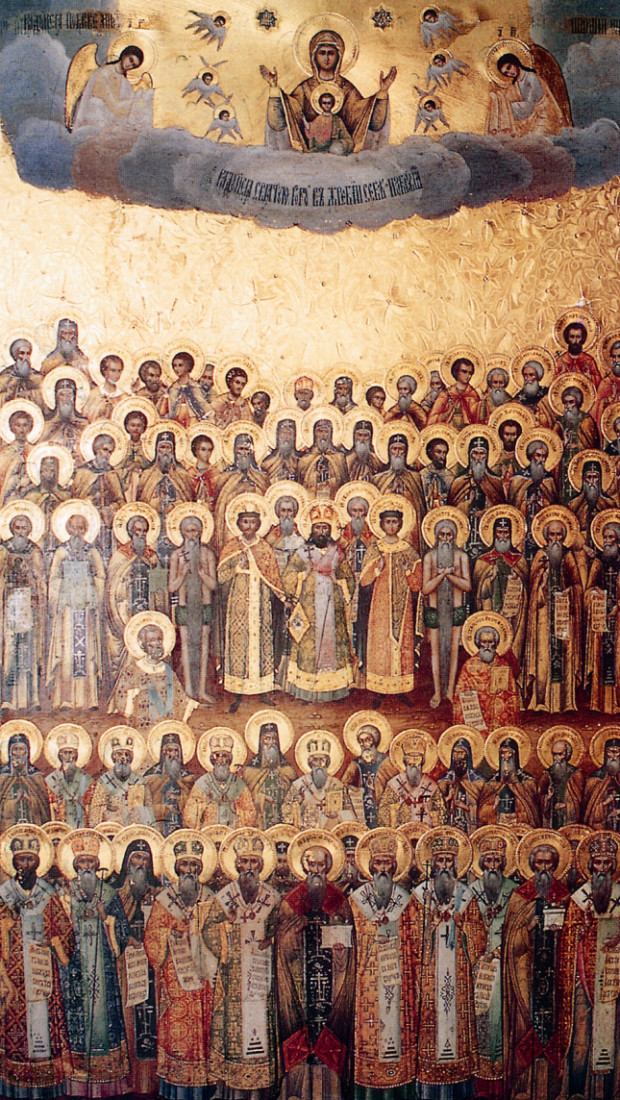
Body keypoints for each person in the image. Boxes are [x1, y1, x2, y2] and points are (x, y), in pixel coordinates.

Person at [274, 831, 356, 1100]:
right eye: (312, 865)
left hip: (331, 985)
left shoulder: (338, 900)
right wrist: (293, 935)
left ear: (329, 867)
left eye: (321, 865)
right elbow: (281, 946)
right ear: (304, 866)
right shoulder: (291, 901)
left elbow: (348, 947)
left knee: (328, 1031)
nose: (317, 871)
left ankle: (331, 1092)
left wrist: (339, 942)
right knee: (301, 1033)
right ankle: (297, 1092)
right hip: (299, 986)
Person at [408, 827, 487, 1098]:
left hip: (458, 972)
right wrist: (430, 923)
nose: (444, 866)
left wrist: (461, 923)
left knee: (457, 1026)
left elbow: (479, 937)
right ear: (432, 864)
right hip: (430, 974)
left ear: (455, 864)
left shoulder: (466, 896)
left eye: (448, 861)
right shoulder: (420, 896)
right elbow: (411, 938)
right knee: (431, 1024)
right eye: (439, 860)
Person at [202, 829, 281, 1096]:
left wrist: (271, 941)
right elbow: (208, 929)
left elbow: (279, 931)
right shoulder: (225, 897)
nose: (248, 868)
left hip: (261, 975)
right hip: (234, 976)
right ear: (236, 865)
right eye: (244, 862)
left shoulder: (272, 897)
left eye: (253, 862)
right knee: (234, 1030)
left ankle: (260, 1092)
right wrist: (226, 925)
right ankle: (234, 1091)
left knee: (262, 1028)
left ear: (261, 865)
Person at [0, 824, 74, 1100]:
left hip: (43, 969)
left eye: (30, 859)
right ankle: (15, 1085)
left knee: (45, 1020)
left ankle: (48, 1084)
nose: (25, 865)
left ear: (38, 862)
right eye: (21, 859)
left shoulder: (47, 892)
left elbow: (64, 930)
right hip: (15, 971)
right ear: (13, 862)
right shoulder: (4, 893)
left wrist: (53, 941)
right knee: (15, 1023)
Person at [143, 830, 218, 1100]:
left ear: (200, 868)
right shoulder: (164, 900)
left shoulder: (210, 897)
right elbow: (152, 937)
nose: (189, 870)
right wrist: (173, 932)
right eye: (184, 865)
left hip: (204, 977)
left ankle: (205, 1084)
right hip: (175, 976)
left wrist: (203, 933)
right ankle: (176, 1085)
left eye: (194, 865)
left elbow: (219, 933)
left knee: (206, 1027)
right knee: (177, 1032)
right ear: (176, 868)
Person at [56, 828, 131, 1096]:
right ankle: (78, 1082)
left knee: (105, 1017)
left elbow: (122, 931)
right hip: (76, 968)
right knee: (76, 1020)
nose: (86, 867)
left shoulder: (108, 893)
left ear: (98, 865)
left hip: (103, 968)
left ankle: (108, 1081)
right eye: (82, 862)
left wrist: (106, 917)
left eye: (91, 862)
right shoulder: (65, 894)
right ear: (75, 865)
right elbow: (58, 928)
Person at [502, 831, 571, 1100]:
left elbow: (573, 935)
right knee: (526, 1026)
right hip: (526, 976)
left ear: (555, 865)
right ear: (531, 864)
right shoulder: (520, 896)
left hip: (556, 974)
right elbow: (510, 942)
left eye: (548, 863)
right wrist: (527, 928)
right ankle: (523, 1088)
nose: (543, 868)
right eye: (539, 863)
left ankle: (553, 1087)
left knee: (555, 1026)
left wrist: (562, 930)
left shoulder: (564, 896)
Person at [349, 830, 418, 1097]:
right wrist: (372, 936)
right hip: (368, 981)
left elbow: (414, 941)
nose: (382, 869)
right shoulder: (356, 901)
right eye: (378, 863)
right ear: (370, 866)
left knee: (397, 1032)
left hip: (398, 979)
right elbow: (351, 940)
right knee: (371, 1034)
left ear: (395, 866)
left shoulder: (407, 901)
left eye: (387, 863)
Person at [554, 831, 620, 1100]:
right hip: (583, 978)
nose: (602, 868)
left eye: (607, 863)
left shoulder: (619, 894)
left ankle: (610, 1092)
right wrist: (581, 930)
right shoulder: (579, 898)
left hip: (614, 978)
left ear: (614, 865)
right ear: (590, 864)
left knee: (613, 1034)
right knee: (581, 1037)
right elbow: (568, 937)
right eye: (597, 863)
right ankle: (577, 1091)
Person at [261, 28, 395, 154]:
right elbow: (280, 121)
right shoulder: (304, 88)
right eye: (322, 53)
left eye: (330, 53)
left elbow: (370, 121)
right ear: (314, 56)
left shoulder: (347, 89)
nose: (326, 58)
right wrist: (274, 89)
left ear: (339, 56)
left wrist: (382, 93)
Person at [281, 500, 355, 702]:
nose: (321, 532)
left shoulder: (337, 553)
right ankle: (307, 690)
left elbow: (348, 578)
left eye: (325, 528)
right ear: (311, 529)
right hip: (309, 606)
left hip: (332, 605)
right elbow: (288, 575)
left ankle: (336, 689)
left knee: (333, 644)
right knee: (308, 644)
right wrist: (302, 576)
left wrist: (339, 581)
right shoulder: (302, 552)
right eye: (317, 527)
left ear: (330, 530)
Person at [217, 496, 284, 712]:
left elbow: (273, 576)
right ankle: (238, 691)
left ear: (258, 524)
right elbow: (221, 576)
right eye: (245, 522)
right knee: (240, 641)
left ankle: (262, 690)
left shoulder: (264, 547)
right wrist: (236, 567)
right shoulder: (232, 547)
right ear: (238, 524)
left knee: (261, 640)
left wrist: (282, 596)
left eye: (252, 522)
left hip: (260, 601)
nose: (248, 526)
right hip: (239, 601)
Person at [110, 829, 162, 1099]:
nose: (140, 864)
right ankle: (131, 1080)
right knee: (130, 1016)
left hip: (153, 963)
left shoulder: (160, 892)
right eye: (136, 858)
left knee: (153, 1018)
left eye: (145, 859)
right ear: (126, 861)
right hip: (127, 964)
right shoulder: (115, 893)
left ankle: (152, 1081)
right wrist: (126, 938)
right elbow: (111, 927)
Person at [469, 828, 519, 1096]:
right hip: (477, 965)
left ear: (503, 862)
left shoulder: (514, 891)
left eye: (497, 860)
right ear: (481, 863)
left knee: (500, 1017)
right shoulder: (470, 891)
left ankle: (499, 1077)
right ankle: (479, 1079)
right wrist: (478, 950)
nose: (492, 866)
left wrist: (503, 949)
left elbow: (520, 927)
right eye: (487, 860)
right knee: (477, 1018)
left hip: (504, 965)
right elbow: (465, 927)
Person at [359, 499, 422, 705]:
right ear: (382, 524)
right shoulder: (375, 548)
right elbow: (364, 580)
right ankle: (381, 689)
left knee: (403, 641)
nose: (392, 526)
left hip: (403, 604)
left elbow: (417, 584)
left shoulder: (408, 550)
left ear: (401, 524)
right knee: (381, 642)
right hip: (381, 604)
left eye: (395, 522)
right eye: (388, 522)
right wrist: (377, 569)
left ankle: (401, 689)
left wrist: (407, 570)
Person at [46, 503, 106, 710]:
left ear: (86, 530)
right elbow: (54, 578)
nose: (78, 532)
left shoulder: (92, 552)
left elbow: (100, 576)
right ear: (68, 529)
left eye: (82, 528)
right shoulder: (61, 552)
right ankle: (65, 700)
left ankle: (88, 700)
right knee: (67, 650)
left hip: (86, 608)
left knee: (85, 650)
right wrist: (58, 598)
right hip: (67, 609)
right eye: (74, 528)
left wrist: (93, 592)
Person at [525, 509, 583, 711]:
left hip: (563, 613)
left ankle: (565, 702)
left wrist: (569, 592)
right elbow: (532, 588)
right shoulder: (540, 556)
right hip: (543, 614)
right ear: (545, 536)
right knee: (543, 655)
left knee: (564, 654)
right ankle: (541, 700)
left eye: (559, 535)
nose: (556, 539)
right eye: (552, 535)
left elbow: (577, 585)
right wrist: (541, 584)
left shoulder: (568, 557)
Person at [108, 611, 198, 732]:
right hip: (141, 726)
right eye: (152, 640)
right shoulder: (132, 670)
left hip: (164, 726)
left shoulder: (168, 671)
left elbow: (179, 697)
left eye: (159, 639)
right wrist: (134, 695)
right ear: (143, 644)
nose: (157, 644)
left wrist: (189, 703)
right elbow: (122, 697)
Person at [104, 506, 162, 690]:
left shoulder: (152, 557)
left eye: (144, 531)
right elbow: (111, 589)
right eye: (137, 531)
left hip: (147, 610)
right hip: (125, 612)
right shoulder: (120, 556)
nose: (141, 535)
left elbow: (161, 589)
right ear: (129, 532)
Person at [421, 511, 471, 707]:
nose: (445, 539)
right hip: (435, 609)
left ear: (454, 536)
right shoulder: (430, 557)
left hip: (455, 609)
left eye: (449, 535)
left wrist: (450, 575)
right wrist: (443, 575)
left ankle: (450, 691)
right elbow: (426, 589)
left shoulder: (461, 556)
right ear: (436, 536)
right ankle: (436, 691)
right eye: (441, 535)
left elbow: (467, 586)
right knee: (435, 651)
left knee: (453, 650)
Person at [0, 506, 47, 711]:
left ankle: (31, 698)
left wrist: (36, 591)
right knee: (10, 651)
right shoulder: (4, 549)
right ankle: (8, 699)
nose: (20, 532)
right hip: (9, 604)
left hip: (28, 605)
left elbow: (40, 577)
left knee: (28, 651)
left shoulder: (33, 550)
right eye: (17, 528)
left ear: (29, 530)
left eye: (24, 528)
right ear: (11, 529)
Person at [168, 510, 217, 703]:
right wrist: (183, 572)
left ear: (201, 532)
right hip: (184, 606)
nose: (191, 535)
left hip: (204, 605)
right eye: (188, 531)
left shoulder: (207, 554)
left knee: (203, 647)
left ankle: (202, 690)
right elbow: (172, 587)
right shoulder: (176, 555)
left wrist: (202, 573)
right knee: (186, 646)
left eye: (195, 531)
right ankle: (188, 690)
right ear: (182, 532)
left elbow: (213, 585)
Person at [474, 508, 529, 665]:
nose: (503, 537)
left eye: (506, 532)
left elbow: (527, 590)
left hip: (514, 614)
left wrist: (517, 581)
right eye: (500, 532)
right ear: (494, 534)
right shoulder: (483, 561)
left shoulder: (519, 561)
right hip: (491, 612)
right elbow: (477, 592)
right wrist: (489, 580)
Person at [453, 614, 521, 731]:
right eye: (484, 642)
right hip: (475, 712)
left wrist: (499, 696)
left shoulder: (503, 664)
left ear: (496, 643)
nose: (488, 646)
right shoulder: (469, 665)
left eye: (491, 642)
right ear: (478, 643)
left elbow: (512, 695)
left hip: (497, 715)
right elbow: (460, 693)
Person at [184, 729, 258, 830]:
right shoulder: (202, 783)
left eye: (225, 756)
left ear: (230, 759)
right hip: (209, 833)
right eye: (217, 756)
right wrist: (203, 806)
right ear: (212, 759)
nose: (221, 760)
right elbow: (189, 815)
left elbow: (250, 813)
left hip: (233, 834)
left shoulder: (238, 784)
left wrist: (237, 810)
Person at [72, 428, 127, 563]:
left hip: (106, 522)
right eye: (104, 450)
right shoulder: (84, 472)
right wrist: (91, 500)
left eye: (110, 452)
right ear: (96, 449)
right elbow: (74, 502)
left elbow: (120, 501)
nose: (107, 455)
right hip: (87, 521)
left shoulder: (112, 473)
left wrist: (111, 508)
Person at [448, 432, 504, 562]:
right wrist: (467, 505)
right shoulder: (459, 482)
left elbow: (502, 511)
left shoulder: (495, 482)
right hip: (465, 537)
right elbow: (451, 514)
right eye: (475, 453)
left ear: (487, 455)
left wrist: (485, 512)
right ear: (469, 455)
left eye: (482, 453)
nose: (478, 458)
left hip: (487, 537)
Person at [282, 731, 355, 829]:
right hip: (306, 832)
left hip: (332, 831)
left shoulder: (337, 785)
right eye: (315, 760)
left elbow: (350, 815)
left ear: (328, 763)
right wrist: (298, 806)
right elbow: (286, 811)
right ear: (310, 763)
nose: (320, 765)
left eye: (323, 760)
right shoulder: (299, 785)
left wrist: (338, 813)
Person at [486, 49, 566, 137]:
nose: (510, 73)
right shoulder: (515, 85)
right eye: (506, 73)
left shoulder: (531, 77)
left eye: (509, 67)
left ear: (514, 62)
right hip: (529, 120)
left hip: (543, 117)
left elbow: (529, 107)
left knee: (534, 140)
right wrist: (499, 98)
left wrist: (506, 107)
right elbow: (507, 101)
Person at [88, 727, 155, 828]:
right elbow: (95, 811)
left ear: (131, 758)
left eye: (127, 754)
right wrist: (108, 811)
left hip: (134, 830)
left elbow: (148, 809)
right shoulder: (104, 782)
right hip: (111, 830)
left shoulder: (140, 782)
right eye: (119, 754)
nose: (123, 758)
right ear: (113, 757)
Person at [377, 731, 446, 828]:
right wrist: (394, 810)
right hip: (401, 831)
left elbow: (440, 809)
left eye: (417, 758)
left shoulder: (431, 785)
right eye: (410, 757)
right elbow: (383, 809)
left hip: (426, 830)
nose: (413, 762)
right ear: (405, 760)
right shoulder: (394, 784)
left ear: (422, 760)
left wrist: (435, 815)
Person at [213, 431, 269, 551]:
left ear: (252, 451)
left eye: (247, 449)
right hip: (230, 526)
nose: (244, 453)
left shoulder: (261, 476)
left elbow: (267, 502)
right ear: (234, 451)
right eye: (240, 449)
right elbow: (219, 505)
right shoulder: (226, 476)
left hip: (256, 526)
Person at [586, 518, 620, 712]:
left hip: (618, 618)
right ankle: (600, 704)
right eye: (605, 537)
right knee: (602, 658)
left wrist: (617, 607)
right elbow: (588, 588)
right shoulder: (598, 561)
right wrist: (595, 591)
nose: (607, 541)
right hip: (601, 616)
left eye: (611, 538)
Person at [241, 714, 296, 829]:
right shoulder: (251, 770)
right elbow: (246, 799)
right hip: (260, 820)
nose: (271, 743)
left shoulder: (287, 769)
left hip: (282, 818)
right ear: (261, 742)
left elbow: (293, 794)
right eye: (267, 738)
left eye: (274, 739)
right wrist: (262, 798)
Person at [477, 730, 541, 828]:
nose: (505, 757)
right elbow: (482, 813)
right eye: (502, 753)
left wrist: (519, 815)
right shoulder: (492, 783)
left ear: (515, 755)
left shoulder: (526, 781)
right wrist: (494, 807)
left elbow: (532, 811)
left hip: (519, 825)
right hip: (498, 825)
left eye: (509, 753)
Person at [144, 723, 196, 836]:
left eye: (175, 750)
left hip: (181, 828)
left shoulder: (188, 777)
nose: (173, 754)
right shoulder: (151, 777)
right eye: (169, 750)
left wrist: (180, 799)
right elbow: (144, 808)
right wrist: (164, 807)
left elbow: (194, 805)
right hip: (158, 828)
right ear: (163, 752)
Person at [341, 714, 389, 828]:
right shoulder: (356, 763)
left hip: (381, 807)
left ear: (375, 740)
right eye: (361, 741)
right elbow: (344, 784)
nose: (364, 744)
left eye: (368, 740)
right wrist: (353, 791)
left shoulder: (386, 762)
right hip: (360, 810)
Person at [0, 725, 51, 829]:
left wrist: (30, 800)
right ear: (10, 752)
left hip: (32, 827)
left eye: (21, 749)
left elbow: (43, 808)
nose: (18, 754)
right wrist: (15, 801)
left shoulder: (35, 776)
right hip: (8, 829)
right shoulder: (3, 776)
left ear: (27, 752)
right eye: (15, 749)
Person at [44, 724, 93, 828]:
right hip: (61, 827)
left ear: (76, 755)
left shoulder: (86, 779)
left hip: (81, 825)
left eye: (71, 753)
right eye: (64, 753)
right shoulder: (51, 780)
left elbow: (89, 808)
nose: (68, 757)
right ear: (59, 755)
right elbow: (52, 809)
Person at [437, 728, 485, 835]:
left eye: (461, 753)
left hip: (470, 828)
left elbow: (484, 808)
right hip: (451, 826)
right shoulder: (445, 781)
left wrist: (465, 807)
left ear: (468, 755)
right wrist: (448, 798)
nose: (458, 756)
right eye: (455, 753)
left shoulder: (478, 781)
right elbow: (436, 806)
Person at [536, 728, 585, 829]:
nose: (556, 758)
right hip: (551, 818)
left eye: (559, 754)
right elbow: (539, 798)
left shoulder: (575, 774)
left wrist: (565, 805)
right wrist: (548, 798)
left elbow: (580, 800)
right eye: (554, 754)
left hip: (568, 819)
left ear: (567, 755)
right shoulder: (547, 774)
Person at [40, 373, 90, 457]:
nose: (65, 399)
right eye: (62, 395)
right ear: (56, 397)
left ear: (74, 397)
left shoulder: (83, 424)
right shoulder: (47, 424)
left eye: (69, 394)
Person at [298, 416, 347, 499]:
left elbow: (344, 485)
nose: (323, 436)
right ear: (314, 434)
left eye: (326, 432)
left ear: (331, 434)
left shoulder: (339, 458)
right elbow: (300, 486)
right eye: (320, 431)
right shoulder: (305, 459)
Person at [0, 404, 41, 503]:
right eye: (18, 425)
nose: (21, 430)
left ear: (30, 427)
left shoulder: (35, 451)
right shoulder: (5, 452)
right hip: (9, 496)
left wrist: (27, 487)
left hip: (30, 495)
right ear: (12, 427)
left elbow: (39, 478)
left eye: (25, 425)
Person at [427, 354, 481, 429]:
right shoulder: (445, 394)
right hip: (448, 431)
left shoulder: (473, 394)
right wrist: (447, 412)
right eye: (464, 372)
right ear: (456, 372)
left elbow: (478, 420)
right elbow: (432, 420)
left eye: (470, 373)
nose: (468, 376)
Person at [158, 350, 210, 426]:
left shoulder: (195, 387)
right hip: (176, 423)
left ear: (188, 366)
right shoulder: (173, 388)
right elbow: (164, 412)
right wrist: (165, 395)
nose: (176, 368)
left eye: (180, 365)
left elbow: (203, 406)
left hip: (193, 423)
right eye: (174, 365)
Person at [582, 732, 620, 830]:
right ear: (605, 754)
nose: (613, 756)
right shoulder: (595, 779)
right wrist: (605, 803)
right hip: (602, 826)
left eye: (616, 752)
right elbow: (589, 810)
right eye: (610, 752)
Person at [554, 317, 602, 387]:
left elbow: (599, 382)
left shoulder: (588, 360)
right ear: (567, 338)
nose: (575, 341)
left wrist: (589, 376)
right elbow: (552, 382)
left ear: (582, 338)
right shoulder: (562, 360)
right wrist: (561, 374)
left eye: (578, 337)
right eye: (572, 337)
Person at [0, 339, 44, 409]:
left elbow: (46, 392)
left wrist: (31, 394)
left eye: (28, 353)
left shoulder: (35, 375)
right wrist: (7, 395)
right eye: (22, 353)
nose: (25, 357)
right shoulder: (6, 375)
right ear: (15, 356)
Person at [83, 354, 127, 421]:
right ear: (104, 371)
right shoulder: (93, 395)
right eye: (113, 371)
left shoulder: (124, 397)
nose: (117, 374)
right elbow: (87, 418)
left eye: (119, 371)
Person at [263, 416, 301, 482]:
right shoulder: (268, 462)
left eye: (289, 434)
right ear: (277, 435)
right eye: (283, 433)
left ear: (294, 436)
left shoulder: (300, 460)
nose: (286, 437)